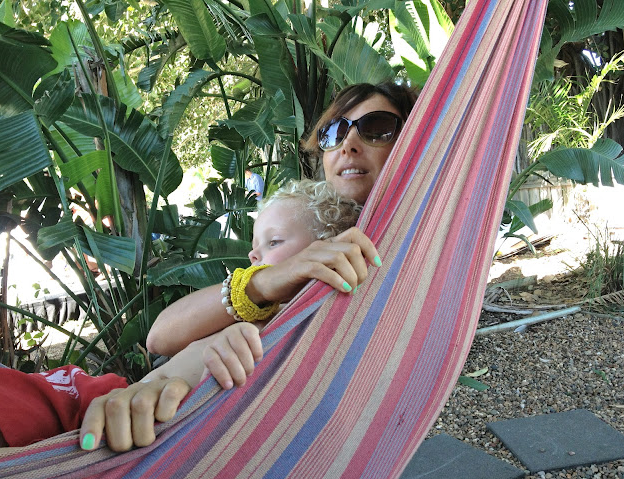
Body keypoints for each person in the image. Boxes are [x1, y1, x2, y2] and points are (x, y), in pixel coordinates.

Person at [73, 81, 419, 453]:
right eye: (333, 132)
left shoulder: (411, 248)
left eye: (376, 128)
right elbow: (159, 338)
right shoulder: (303, 243)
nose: (347, 144)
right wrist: (264, 284)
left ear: (414, 139)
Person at [0, 180, 362, 451]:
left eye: (274, 242)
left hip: (106, 416)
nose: (253, 256)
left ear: (325, 247)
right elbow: (159, 340)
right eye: (254, 246)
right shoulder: (258, 310)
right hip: (102, 404)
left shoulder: (303, 329)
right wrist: (258, 287)